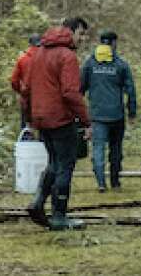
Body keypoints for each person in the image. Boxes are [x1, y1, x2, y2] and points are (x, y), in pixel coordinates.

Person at [20, 24, 91, 230]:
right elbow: (70, 92)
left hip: (41, 118)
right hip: (60, 119)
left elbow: (25, 89)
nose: (82, 39)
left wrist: (30, 119)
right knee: (65, 165)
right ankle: (59, 215)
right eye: (81, 34)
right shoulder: (67, 56)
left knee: (53, 162)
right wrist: (86, 120)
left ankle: (38, 203)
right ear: (71, 33)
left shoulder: (38, 53)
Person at [80, 30, 138, 192]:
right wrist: (131, 111)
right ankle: (115, 182)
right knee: (116, 150)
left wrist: (79, 113)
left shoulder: (90, 64)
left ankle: (100, 183)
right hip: (116, 115)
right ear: (113, 43)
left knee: (98, 149)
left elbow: (80, 89)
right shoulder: (121, 64)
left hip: (97, 115)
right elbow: (130, 90)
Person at [8, 32, 42, 126]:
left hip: (27, 98)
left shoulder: (22, 59)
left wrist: (21, 91)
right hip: (43, 100)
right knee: (43, 131)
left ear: (30, 44)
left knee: (26, 128)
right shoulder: (45, 58)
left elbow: (14, 81)